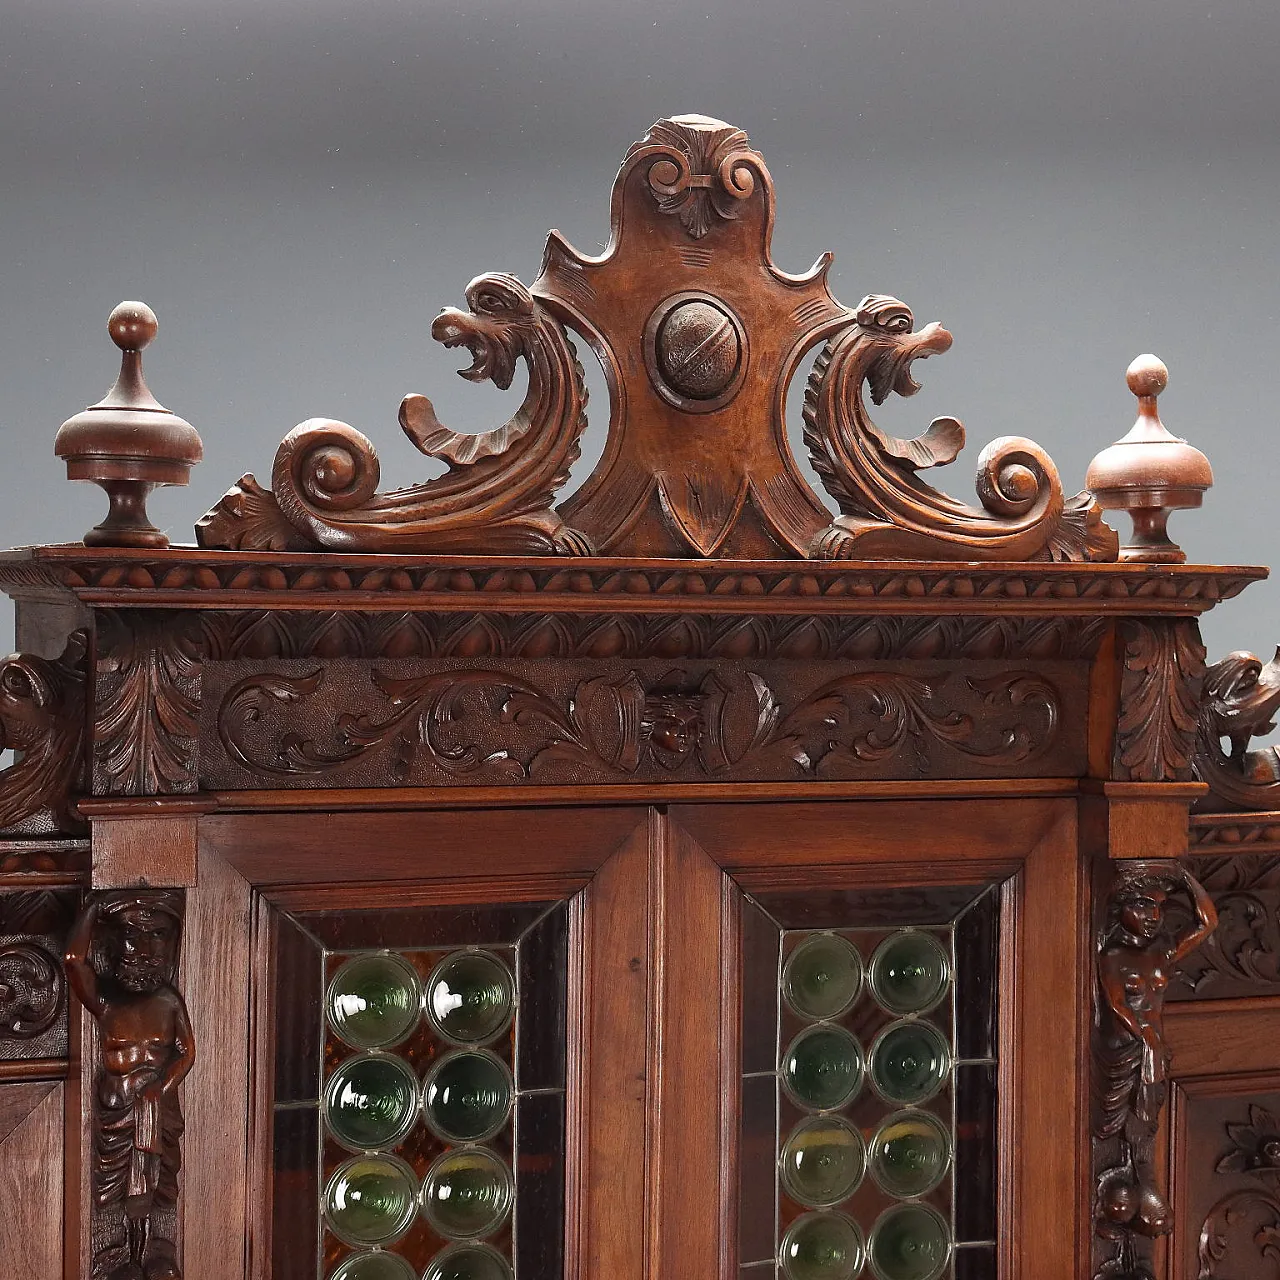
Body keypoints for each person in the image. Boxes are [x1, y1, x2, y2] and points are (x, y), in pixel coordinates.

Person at [65, 891, 195, 1280]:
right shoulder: (106, 1000)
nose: (146, 950)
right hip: (117, 1112)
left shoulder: (169, 1000)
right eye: (133, 936)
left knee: (161, 1181)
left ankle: (156, 1249)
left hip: (159, 1109)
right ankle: (115, 1253)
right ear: (112, 942)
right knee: (112, 1186)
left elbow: (187, 1052)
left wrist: (161, 1086)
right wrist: (92, 907)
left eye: (157, 936)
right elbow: (73, 961)